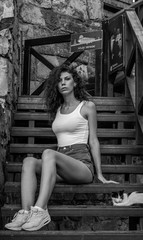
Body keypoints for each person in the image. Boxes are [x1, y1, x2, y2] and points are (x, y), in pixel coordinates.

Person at [5, 64, 118, 232]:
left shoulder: (87, 106)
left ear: (75, 83)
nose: (63, 83)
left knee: (48, 153)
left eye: (67, 79)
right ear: (56, 86)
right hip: (61, 163)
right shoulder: (57, 109)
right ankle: (26, 213)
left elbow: (93, 140)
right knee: (28, 161)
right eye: (59, 81)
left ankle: (41, 210)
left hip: (81, 165)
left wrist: (100, 174)